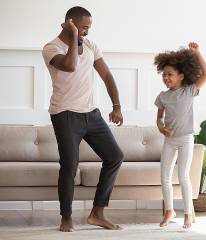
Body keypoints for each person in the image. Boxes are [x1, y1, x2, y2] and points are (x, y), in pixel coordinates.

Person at [42, 6, 124, 232]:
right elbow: (70, 65)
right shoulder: (51, 48)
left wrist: (116, 105)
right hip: (65, 114)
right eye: (84, 27)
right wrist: (75, 37)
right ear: (70, 23)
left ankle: (97, 213)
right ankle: (66, 217)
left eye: (89, 28)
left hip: (91, 113)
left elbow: (106, 75)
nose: (87, 31)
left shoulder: (90, 45)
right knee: (69, 165)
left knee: (115, 156)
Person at [154, 42, 206, 229]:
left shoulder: (189, 91)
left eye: (170, 74)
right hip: (169, 140)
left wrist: (198, 52)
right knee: (165, 176)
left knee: (183, 176)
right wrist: (162, 128)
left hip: (186, 139)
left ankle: (187, 213)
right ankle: (169, 211)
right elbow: (159, 119)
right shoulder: (162, 96)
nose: (166, 78)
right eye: (164, 74)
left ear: (181, 76)